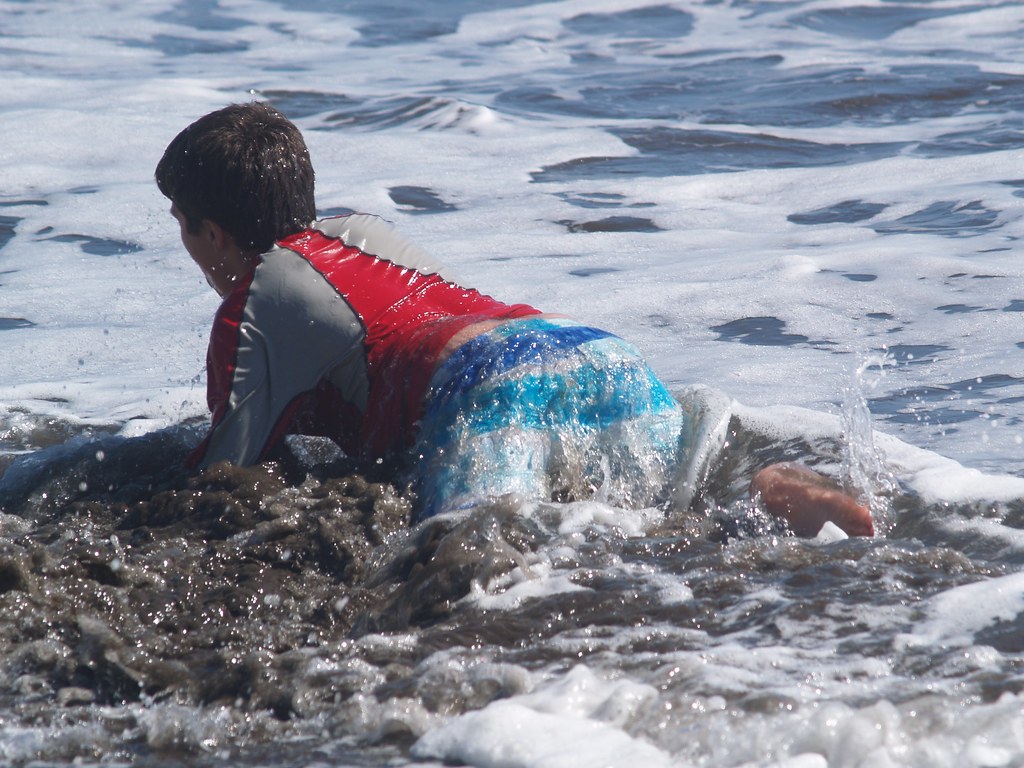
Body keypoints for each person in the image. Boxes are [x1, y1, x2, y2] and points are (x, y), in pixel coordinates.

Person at [155, 102, 873, 537]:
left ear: (213, 234)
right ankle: (770, 489)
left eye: (182, 227)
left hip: (488, 388)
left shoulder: (252, 305)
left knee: (477, 569)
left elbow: (229, 476)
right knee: (673, 506)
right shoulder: (356, 231)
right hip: (591, 350)